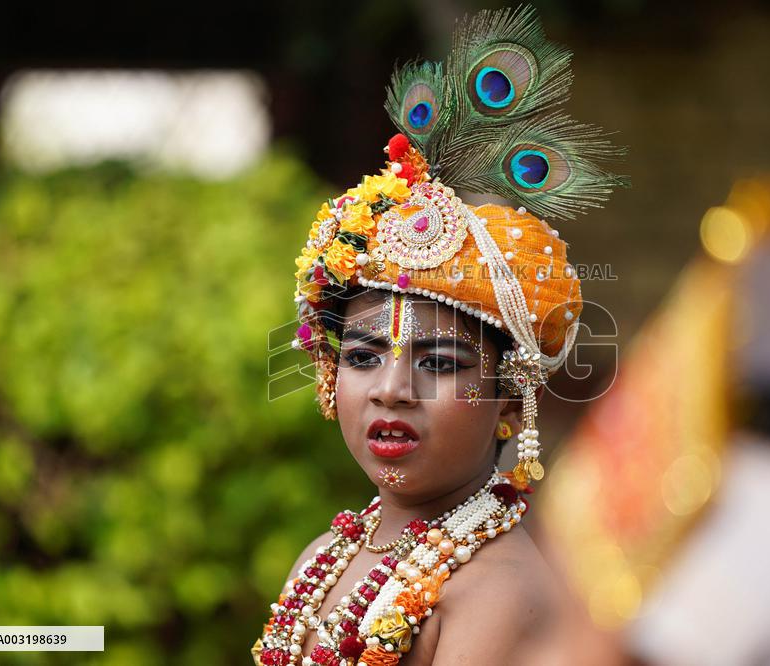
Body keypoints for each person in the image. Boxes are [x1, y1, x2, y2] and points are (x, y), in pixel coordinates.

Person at [250, 6, 626, 665]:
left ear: (510, 399)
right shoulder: (326, 556)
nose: (392, 390)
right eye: (364, 356)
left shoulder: (496, 591)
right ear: (330, 378)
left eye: (442, 362)